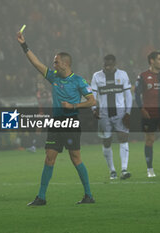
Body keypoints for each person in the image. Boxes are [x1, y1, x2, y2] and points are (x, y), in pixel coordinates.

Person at [17, 31, 97, 205]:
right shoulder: (53, 77)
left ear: (65, 63)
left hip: (71, 122)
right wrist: (24, 45)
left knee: (75, 158)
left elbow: (92, 101)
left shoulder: (78, 81)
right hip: (55, 123)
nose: (53, 64)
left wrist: (73, 106)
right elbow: (36, 63)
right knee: (49, 157)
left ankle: (88, 195)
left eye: (56, 61)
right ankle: (41, 197)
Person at [91, 54, 132, 180]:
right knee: (107, 141)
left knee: (123, 138)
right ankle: (112, 171)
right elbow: (92, 94)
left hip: (120, 113)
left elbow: (128, 95)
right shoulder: (96, 76)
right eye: (105, 64)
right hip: (104, 114)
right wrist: (94, 109)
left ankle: (124, 170)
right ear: (103, 63)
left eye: (109, 64)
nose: (107, 66)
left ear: (115, 64)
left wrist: (128, 112)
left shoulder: (122, 74)